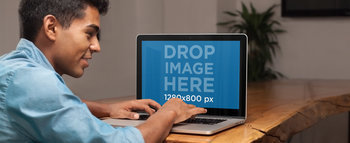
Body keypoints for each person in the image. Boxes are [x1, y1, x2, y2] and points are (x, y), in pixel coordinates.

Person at [0, 0, 207, 142]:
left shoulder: (15, 69)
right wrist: (169, 111)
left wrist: (107, 109)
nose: (96, 46)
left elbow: (55, 104)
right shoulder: (34, 81)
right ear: (51, 27)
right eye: (89, 33)